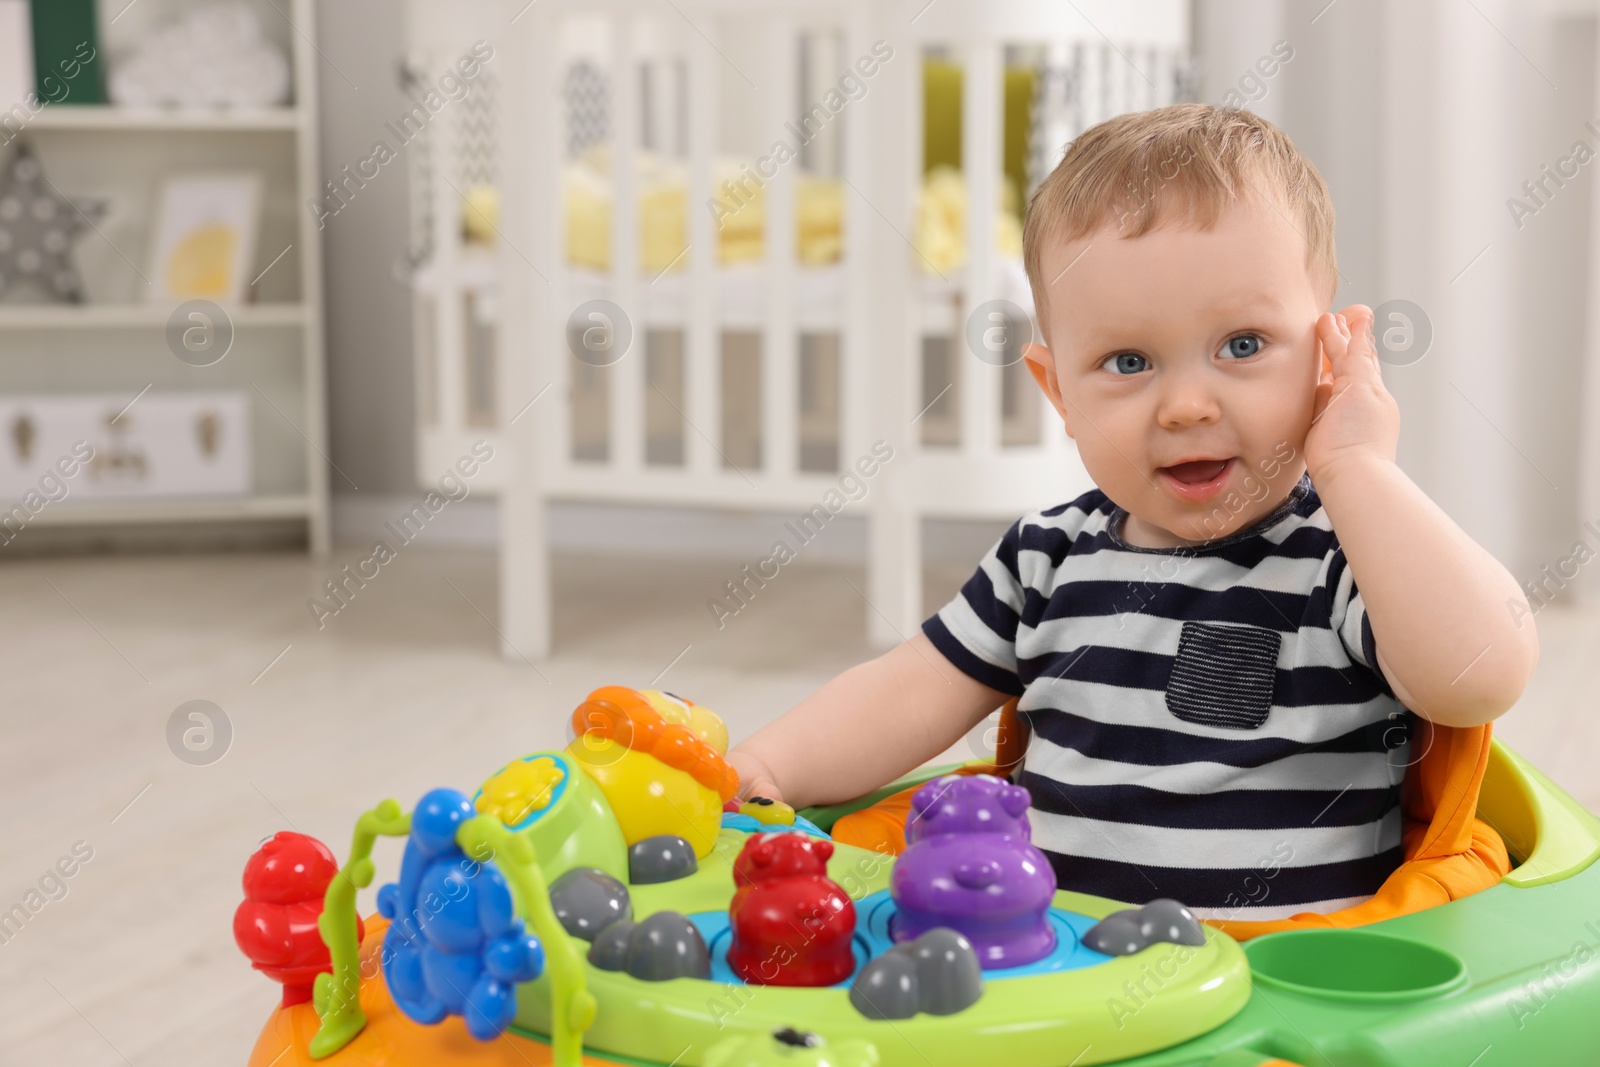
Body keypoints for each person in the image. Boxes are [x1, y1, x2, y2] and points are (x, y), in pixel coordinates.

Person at [726, 103, 1539, 921]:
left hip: (1283, 997)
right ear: (1059, 392)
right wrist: (768, 763)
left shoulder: (1349, 557)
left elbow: (1481, 674)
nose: (1187, 404)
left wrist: (1357, 468)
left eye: (1244, 345)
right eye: (1127, 360)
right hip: (1057, 977)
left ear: (1329, 356)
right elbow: (903, 693)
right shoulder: (1042, 557)